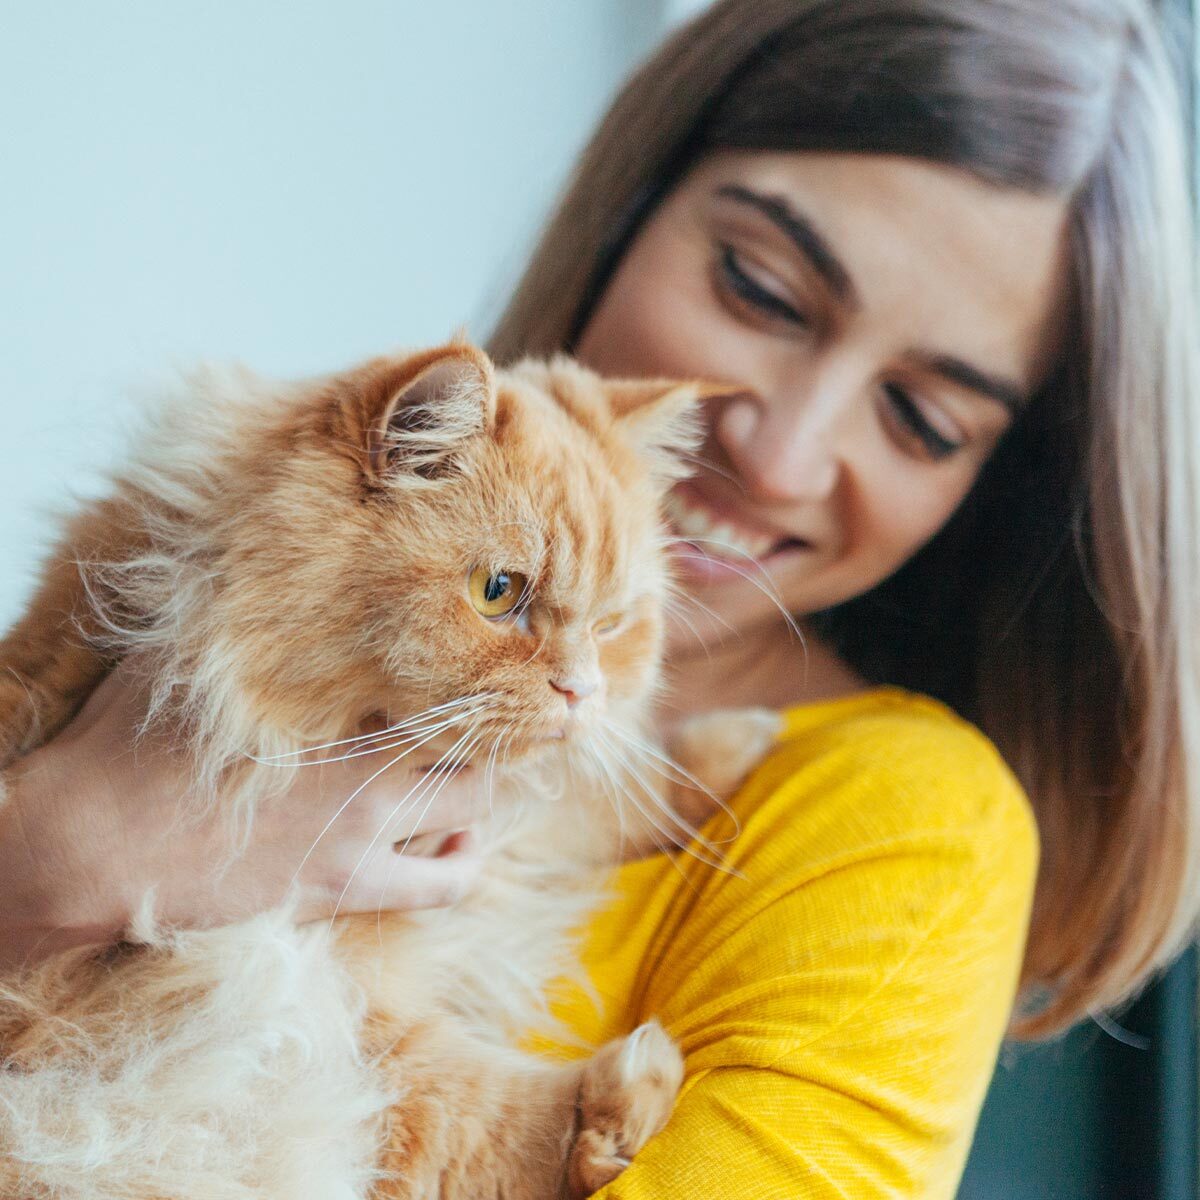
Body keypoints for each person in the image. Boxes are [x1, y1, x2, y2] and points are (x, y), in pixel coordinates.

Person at [2, 0, 1197, 1194]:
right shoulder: (294, 508)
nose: (778, 454)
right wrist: (58, 856)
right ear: (632, 202)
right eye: (762, 289)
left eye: (922, 418)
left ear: (994, 485)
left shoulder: (910, 823)